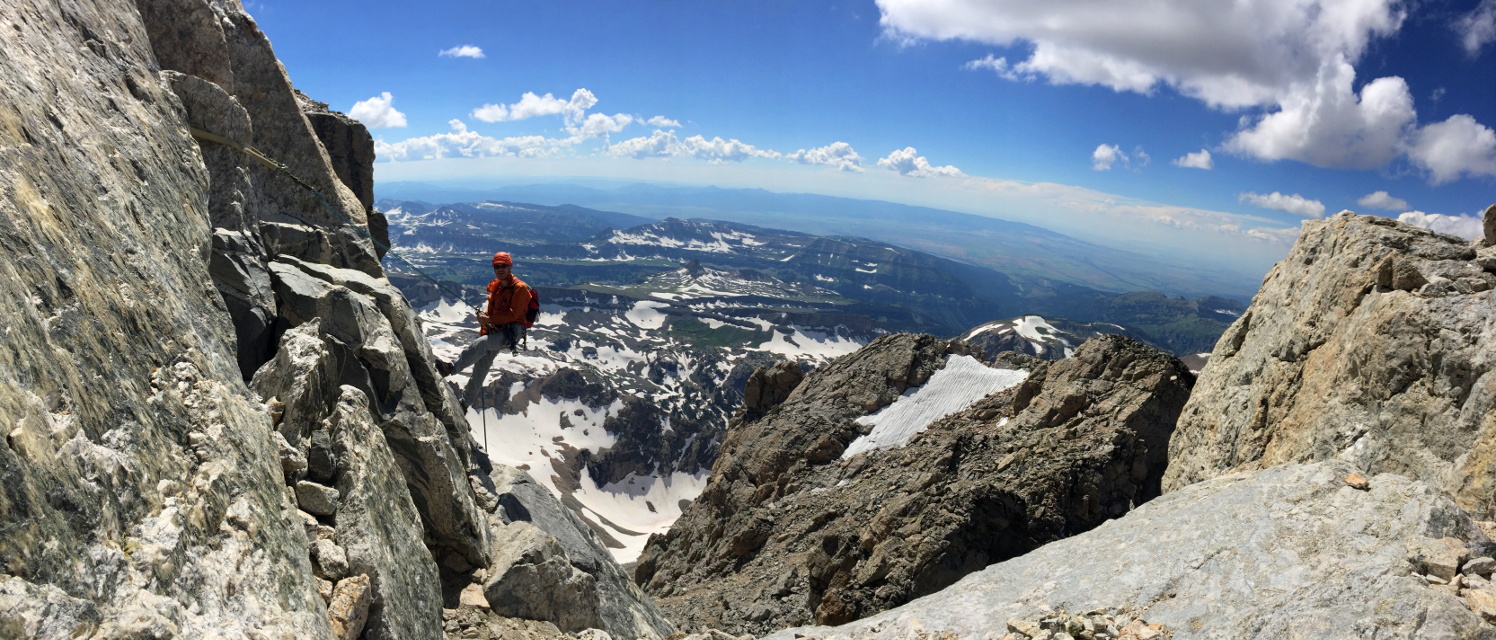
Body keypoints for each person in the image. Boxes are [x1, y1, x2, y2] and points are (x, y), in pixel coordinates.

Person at [444, 251, 534, 405]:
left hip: (512, 332)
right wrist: (486, 317)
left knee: (483, 343)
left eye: (503, 266)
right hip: (498, 330)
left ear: (510, 266)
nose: (500, 269)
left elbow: (513, 315)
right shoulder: (497, 287)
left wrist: (488, 319)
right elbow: (493, 311)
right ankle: (465, 404)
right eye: (497, 266)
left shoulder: (520, 288)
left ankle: (451, 368)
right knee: (480, 369)